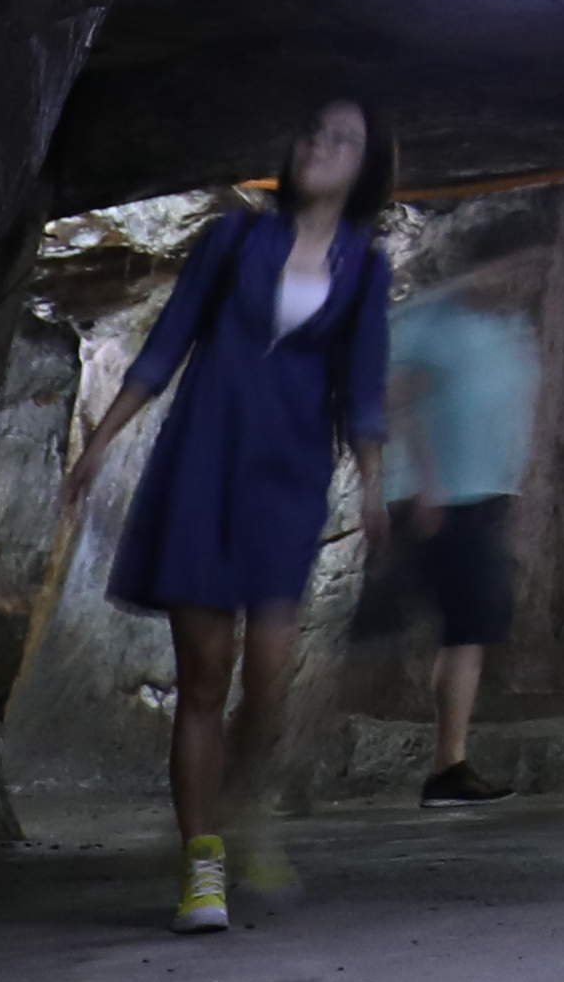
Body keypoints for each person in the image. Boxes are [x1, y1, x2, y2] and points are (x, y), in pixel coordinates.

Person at [61, 96, 397, 934]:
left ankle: (250, 809)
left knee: (272, 679)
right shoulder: (235, 238)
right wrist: (100, 441)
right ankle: (200, 861)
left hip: (287, 481)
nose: (321, 145)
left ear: (365, 166)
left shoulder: (365, 264)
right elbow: (168, 342)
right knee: (206, 677)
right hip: (201, 468)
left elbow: (360, 385)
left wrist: (377, 482)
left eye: (343, 140)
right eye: (314, 131)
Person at [386, 246, 538, 802]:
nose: (521, 279)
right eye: (514, 265)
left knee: (466, 629)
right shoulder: (432, 319)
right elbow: (400, 401)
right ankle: (280, 766)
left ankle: (449, 765)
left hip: (480, 496)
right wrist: (427, 485)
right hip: (437, 499)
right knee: (396, 633)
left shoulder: (510, 323)